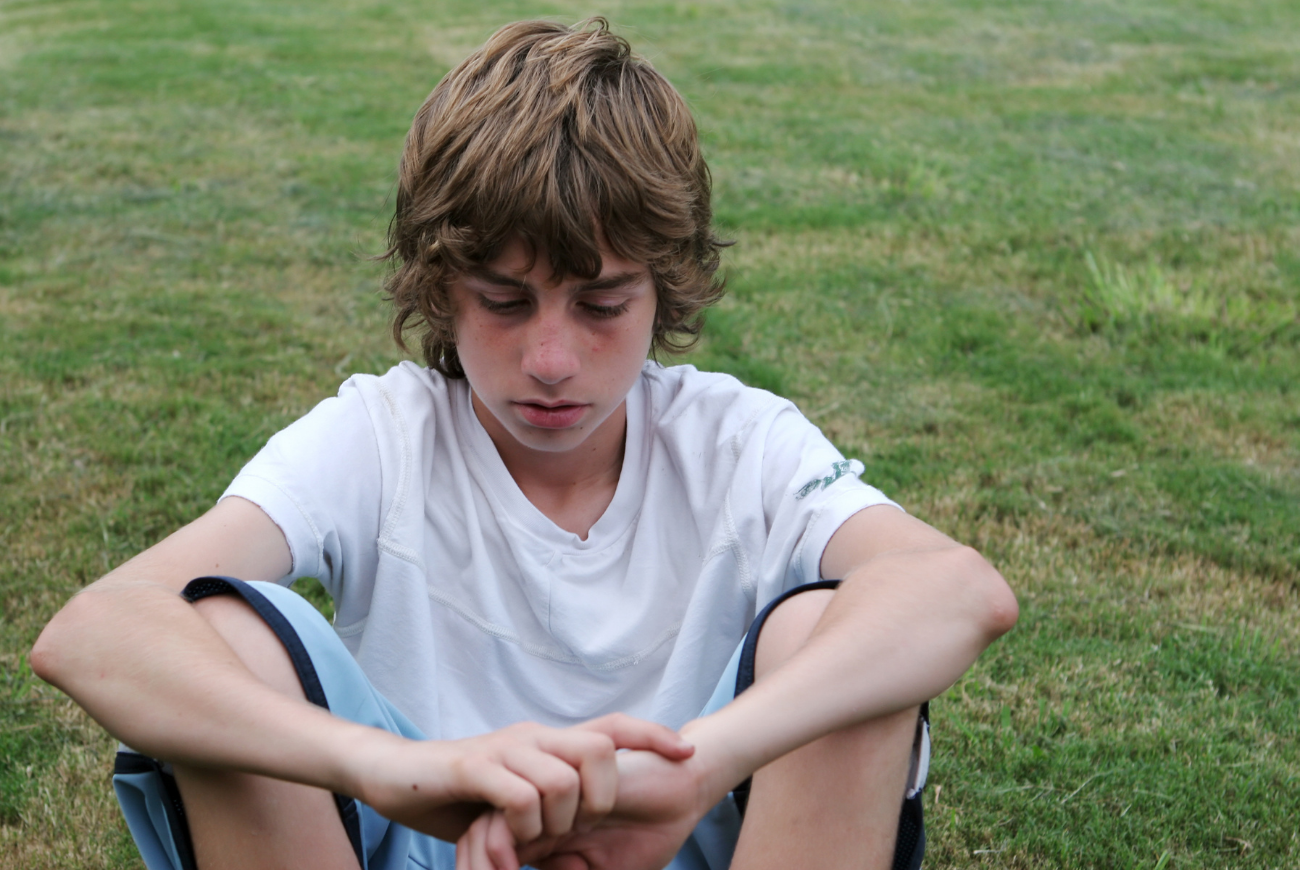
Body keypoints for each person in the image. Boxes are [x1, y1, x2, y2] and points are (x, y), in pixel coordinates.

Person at [31, 18, 1018, 870]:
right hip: (427, 842)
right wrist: (395, 770)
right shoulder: (384, 435)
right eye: (503, 301)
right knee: (223, 631)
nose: (551, 358)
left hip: (678, 837)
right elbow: (99, 627)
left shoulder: (734, 440)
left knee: (839, 638)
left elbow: (954, 589)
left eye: (600, 302)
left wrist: (699, 766)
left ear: (663, 288)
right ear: (437, 288)